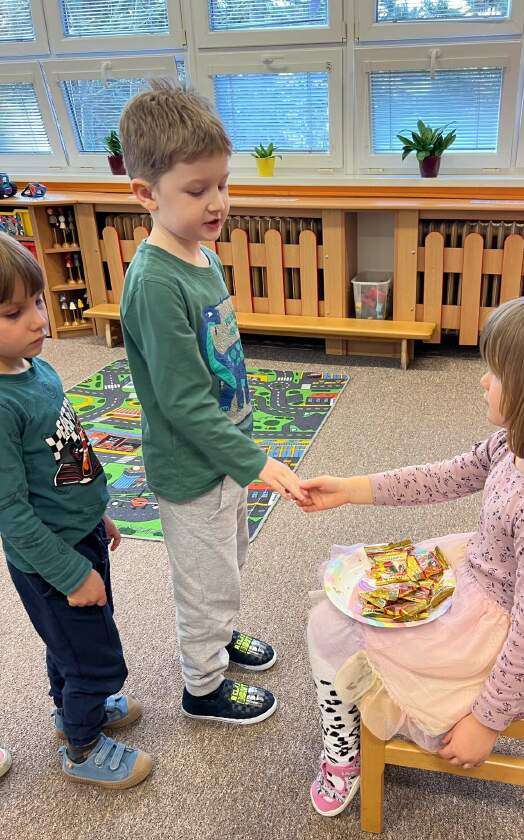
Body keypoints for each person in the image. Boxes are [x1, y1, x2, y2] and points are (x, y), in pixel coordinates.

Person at [300, 289, 524, 816]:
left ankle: (344, 752)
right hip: (476, 582)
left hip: (495, 639)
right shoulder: (515, 443)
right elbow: (445, 477)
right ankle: (354, 729)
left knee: (328, 625)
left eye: (497, 373)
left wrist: (486, 721)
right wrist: (352, 488)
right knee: (341, 603)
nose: (482, 381)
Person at [119, 81, 306, 725]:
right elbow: (182, 403)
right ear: (146, 193)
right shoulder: (154, 282)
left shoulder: (202, 255)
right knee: (203, 582)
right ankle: (202, 686)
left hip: (224, 454)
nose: (218, 202)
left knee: (228, 563)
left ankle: (221, 640)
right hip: (191, 465)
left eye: (223, 184)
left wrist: (242, 453)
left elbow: (221, 361)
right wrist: (254, 461)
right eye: (197, 190)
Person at [0, 232, 151, 788]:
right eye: (14, 313)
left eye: (38, 302)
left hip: (79, 535)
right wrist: (69, 572)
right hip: (49, 560)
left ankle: (71, 714)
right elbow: (10, 513)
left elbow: (70, 454)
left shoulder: (36, 371)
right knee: (95, 658)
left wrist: (96, 511)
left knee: (71, 644)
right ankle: (83, 749)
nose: (39, 320)